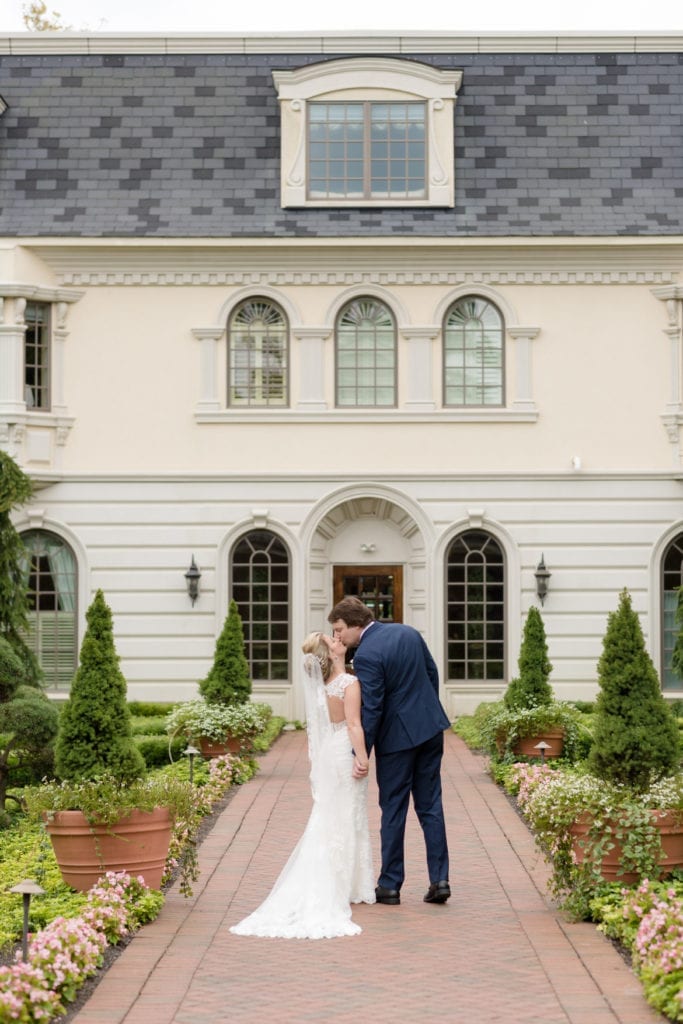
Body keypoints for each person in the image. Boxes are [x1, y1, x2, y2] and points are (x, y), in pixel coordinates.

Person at [229, 632, 375, 939]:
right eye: (332, 640)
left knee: (330, 814)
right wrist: (362, 757)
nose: (339, 639)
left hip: (327, 753)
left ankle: (343, 880)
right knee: (348, 814)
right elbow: (353, 724)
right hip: (341, 750)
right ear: (330, 653)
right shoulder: (349, 683)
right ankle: (346, 883)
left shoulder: (321, 686)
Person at [328, 596, 451, 907]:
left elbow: (372, 708)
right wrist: (425, 710)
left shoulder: (367, 654)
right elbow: (432, 673)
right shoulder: (408, 632)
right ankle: (440, 880)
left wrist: (361, 753)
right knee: (431, 805)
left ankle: (390, 885)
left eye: (340, 629)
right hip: (430, 728)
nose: (338, 636)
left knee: (393, 809)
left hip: (397, 741)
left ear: (356, 625)